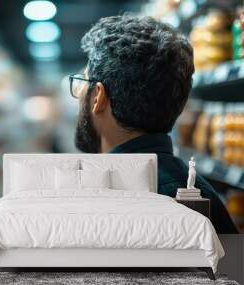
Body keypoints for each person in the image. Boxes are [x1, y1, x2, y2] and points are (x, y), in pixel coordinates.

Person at [71, 15, 238, 233]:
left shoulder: (85, 205)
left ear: (98, 97)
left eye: (82, 83)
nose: (79, 94)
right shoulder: (203, 199)